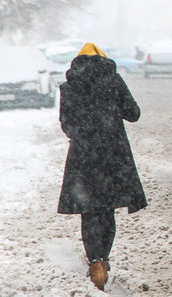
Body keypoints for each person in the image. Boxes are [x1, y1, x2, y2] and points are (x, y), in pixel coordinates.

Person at [58, 42, 147, 290]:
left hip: (83, 156)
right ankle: (104, 260)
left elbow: (67, 125)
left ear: (78, 63)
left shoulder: (69, 87)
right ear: (103, 60)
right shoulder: (113, 80)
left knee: (89, 210)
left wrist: (85, 133)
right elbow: (134, 113)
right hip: (113, 154)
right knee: (107, 210)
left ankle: (94, 261)